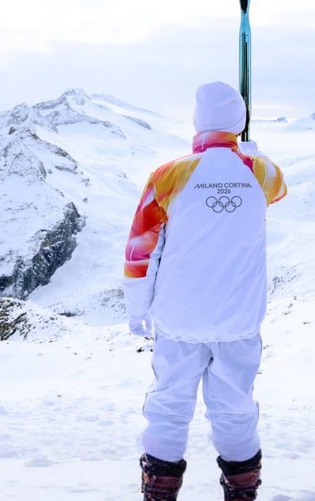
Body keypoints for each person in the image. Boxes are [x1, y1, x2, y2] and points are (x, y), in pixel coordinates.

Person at [123, 81, 287, 501]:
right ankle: (242, 491)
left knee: (169, 406)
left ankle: (158, 491)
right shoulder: (262, 173)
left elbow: (141, 250)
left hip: (180, 317)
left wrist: (137, 308)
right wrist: (250, 153)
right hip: (239, 318)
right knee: (235, 408)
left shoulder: (169, 175)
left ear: (197, 121)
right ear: (239, 122)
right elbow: (278, 191)